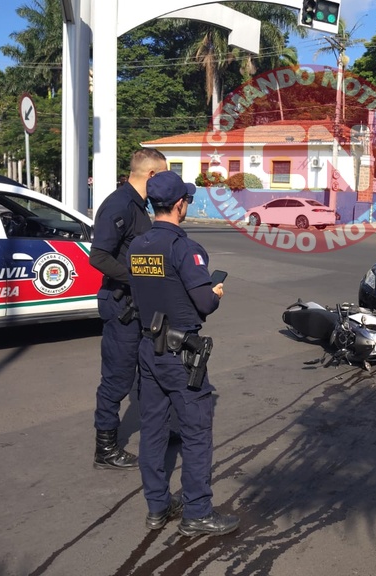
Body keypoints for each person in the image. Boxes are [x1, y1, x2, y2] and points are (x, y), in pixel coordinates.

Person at [127, 170, 239, 537]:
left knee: (154, 431)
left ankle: (158, 507)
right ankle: (197, 513)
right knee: (195, 434)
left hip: (148, 348)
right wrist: (217, 292)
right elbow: (204, 302)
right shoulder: (184, 249)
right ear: (179, 204)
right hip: (180, 353)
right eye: (187, 200)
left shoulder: (138, 246)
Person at [90, 148, 167, 470]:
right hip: (121, 305)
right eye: (162, 176)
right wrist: (139, 278)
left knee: (151, 372)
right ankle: (105, 448)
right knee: (118, 379)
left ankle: (159, 430)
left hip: (139, 306)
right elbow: (99, 256)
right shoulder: (119, 205)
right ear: (150, 175)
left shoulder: (138, 205)